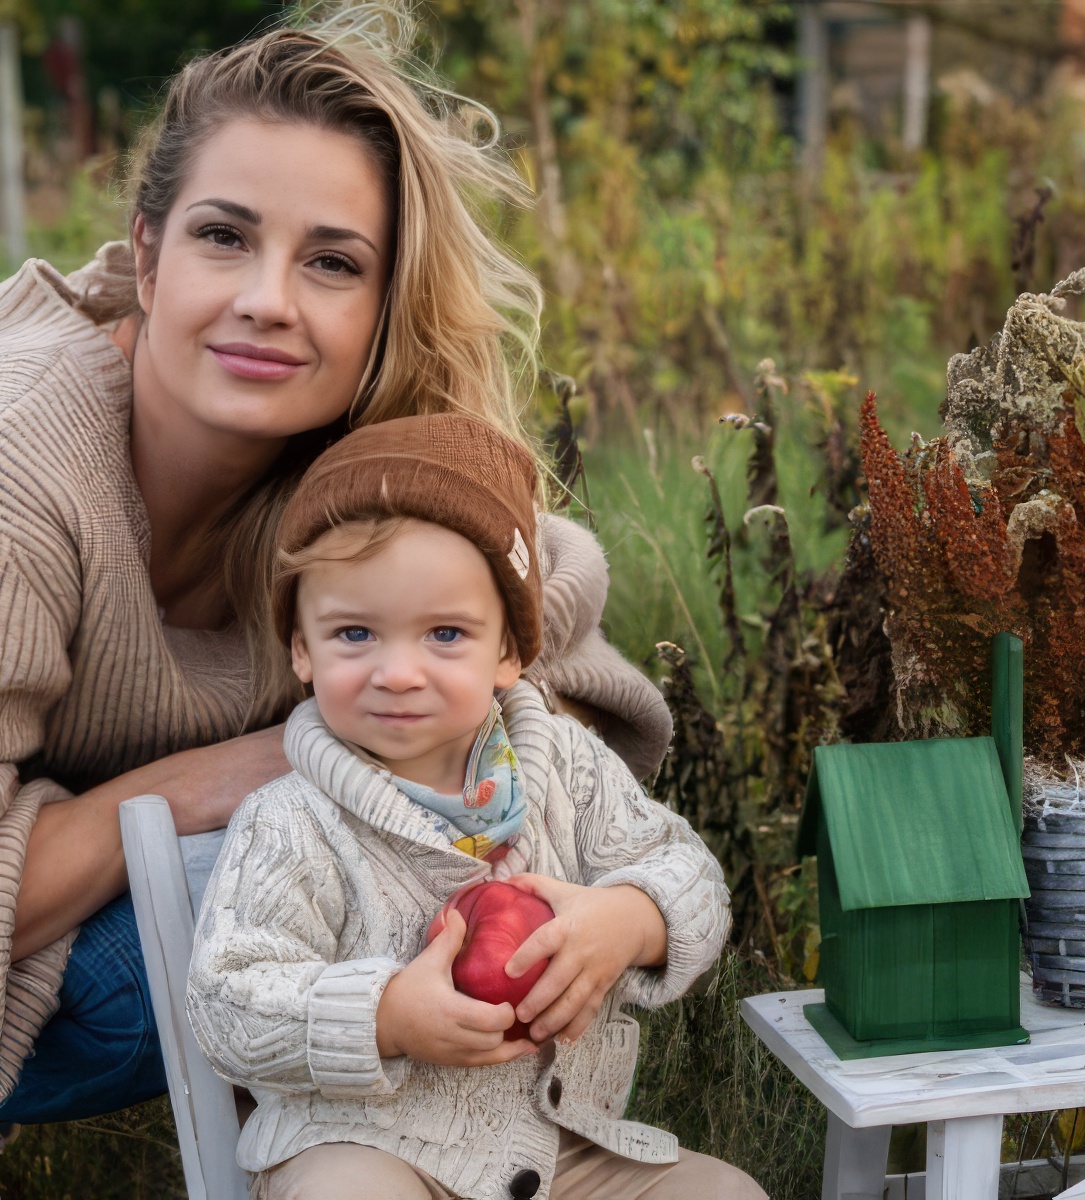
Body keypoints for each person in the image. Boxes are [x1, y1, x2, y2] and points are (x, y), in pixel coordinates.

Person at [0, 6, 670, 1124]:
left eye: (331, 261)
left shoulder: (366, 457)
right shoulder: (24, 466)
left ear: (383, 307)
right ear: (149, 254)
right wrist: (233, 774)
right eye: (224, 237)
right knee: (215, 886)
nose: (269, 299)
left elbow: (565, 672)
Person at [186, 414, 766, 1200]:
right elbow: (226, 998)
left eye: (446, 634)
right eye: (354, 632)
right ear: (300, 647)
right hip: (363, 1144)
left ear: (509, 651)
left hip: (558, 1155)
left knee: (724, 1194)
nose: (398, 672)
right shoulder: (292, 821)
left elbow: (691, 874)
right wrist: (384, 1015)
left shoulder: (566, 769)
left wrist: (630, 919)